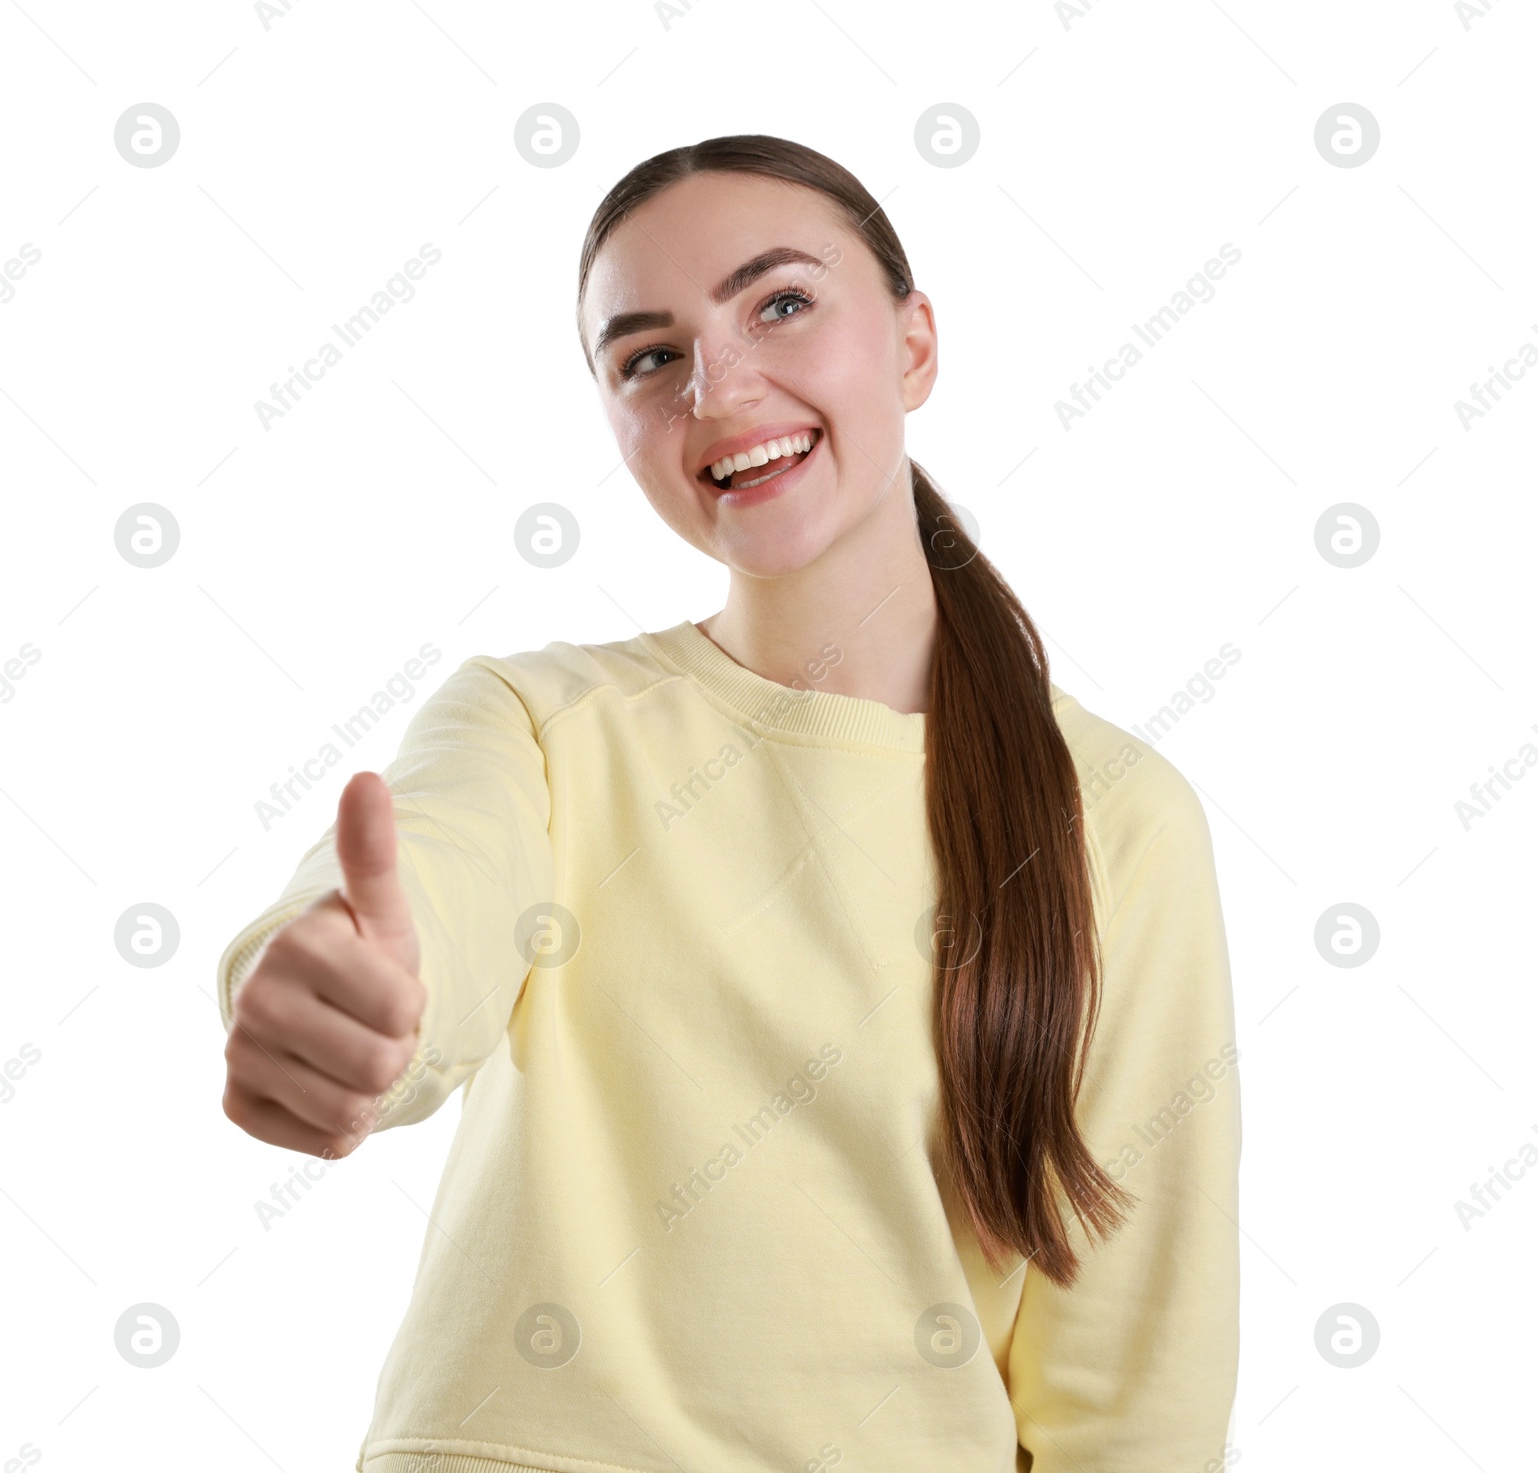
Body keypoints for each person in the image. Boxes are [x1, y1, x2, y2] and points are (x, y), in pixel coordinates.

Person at [216, 133, 1241, 1473]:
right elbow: (425, 901)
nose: (717, 385)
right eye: (647, 355)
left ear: (916, 342)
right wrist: (342, 994)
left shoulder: (1120, 817)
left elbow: (1131, 1406)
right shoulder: (542, 723)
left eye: (781, 303)